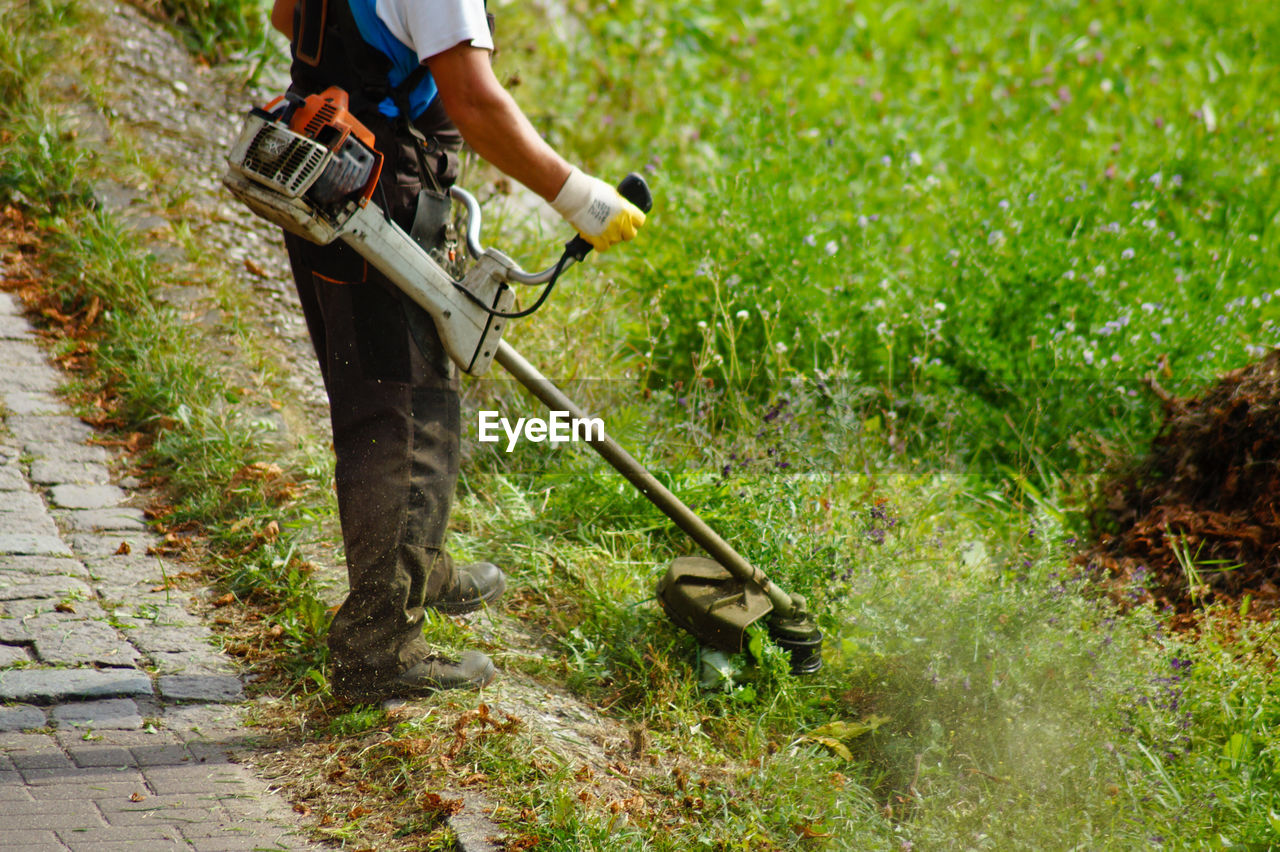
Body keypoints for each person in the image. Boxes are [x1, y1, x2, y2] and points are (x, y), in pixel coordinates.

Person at [267, 0, 645, 701]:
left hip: (318, 168)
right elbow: (474, 100)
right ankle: (379, 650)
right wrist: (580, 197)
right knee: (404, 421)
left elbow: (287, 18)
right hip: (378, 187)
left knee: (375, 400)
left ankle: (413, 568)